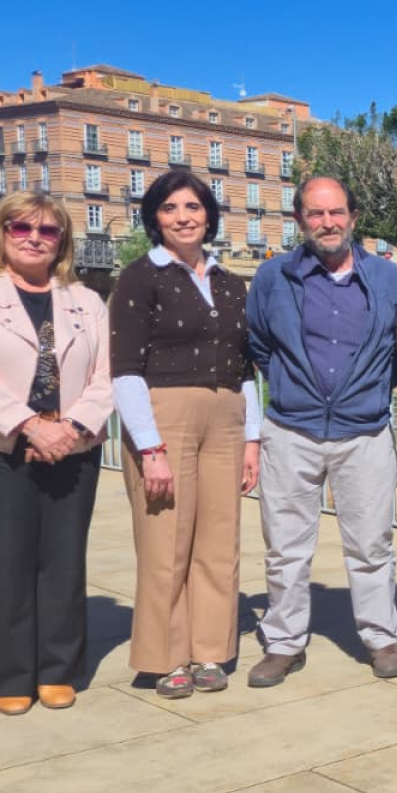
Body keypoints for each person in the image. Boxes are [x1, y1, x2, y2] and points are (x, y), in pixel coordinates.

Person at [0, 193, 112, 715]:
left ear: (63, 241)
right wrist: (31, 426)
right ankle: (12, 675)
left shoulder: (87, 301)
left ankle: (59, 669)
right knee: (6, 559)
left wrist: (72, 427)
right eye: (21, 227)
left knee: (63, 560)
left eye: (48, 230)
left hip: (73, 446)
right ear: (1, 232)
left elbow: (107, 376)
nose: (34, 237)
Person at [243, 176, 397, 687]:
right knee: (287, 545)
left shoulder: (388, 279)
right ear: (299, 221)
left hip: (364, 432)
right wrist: (297, 389)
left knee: (372, 544)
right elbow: (259, 345)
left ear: (354, 217)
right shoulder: (273, 278)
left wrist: (366, 391)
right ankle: (285, 642)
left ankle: (380, 636)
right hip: (292, 429)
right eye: (315, 214)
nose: (327, 223)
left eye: (336, 213)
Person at [110, 169, 262, 698]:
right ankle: (165, 655)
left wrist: (252, 439)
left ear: (209, 215)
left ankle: (210, 651)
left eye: (193, 208)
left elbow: (246, 366)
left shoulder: (228, 282)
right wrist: (149, 447)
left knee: (220, 541)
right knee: (165, 542)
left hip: (227, 414)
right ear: (155, 217)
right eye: (171, 208)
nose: (183, 218)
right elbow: (125, 368)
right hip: (164, 415)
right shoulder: (139, 277)